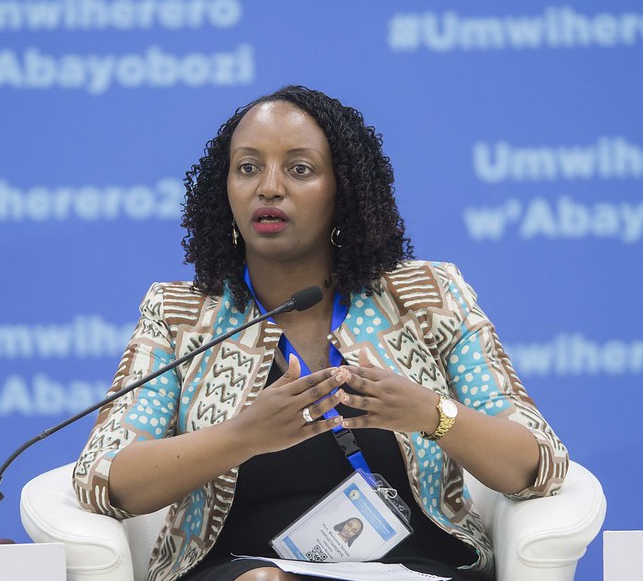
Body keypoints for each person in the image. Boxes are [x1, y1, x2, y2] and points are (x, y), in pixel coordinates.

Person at [73, 85, 568, 581]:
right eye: (248, 167)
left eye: (299, 169)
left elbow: (538, 464)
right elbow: (104, 479)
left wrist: (429, 413)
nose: (268, 186)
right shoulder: (181, 315)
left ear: (343, 192)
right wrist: (241, 437)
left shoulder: (427, 296)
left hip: (416, 569)